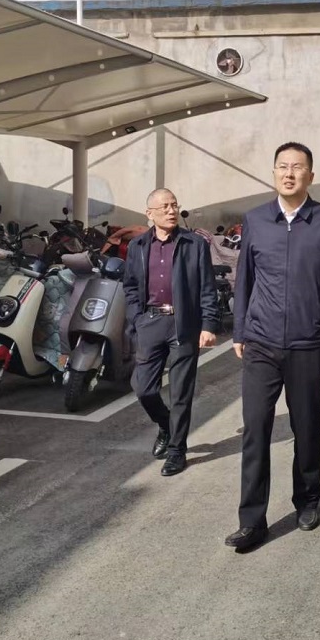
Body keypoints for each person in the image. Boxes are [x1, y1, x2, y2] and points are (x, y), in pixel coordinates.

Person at [225, 142, 320, 553]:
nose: (289, 173)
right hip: (260, 343)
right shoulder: (256, 220)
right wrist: (240, 331)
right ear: (274, 173)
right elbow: (244, 280)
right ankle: (251, 521)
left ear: (310, 176)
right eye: (282, 166)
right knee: (255, 429)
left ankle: (308, 499)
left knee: (307, 425)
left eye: (297, 167)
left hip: (306, 342)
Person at [123, 188, 219, 477]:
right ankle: (166, 425)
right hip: (150, 321)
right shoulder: (138, 245)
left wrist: (208, 325)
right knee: (143, 388)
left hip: (183, 323)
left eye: (174, 205)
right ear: (149, 213)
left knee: (180, 392)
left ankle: (177, 450)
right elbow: (130, 286)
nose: (171, 210)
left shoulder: (194, 244)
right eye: (164, 206)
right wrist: (136, 319)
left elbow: (207, 287)